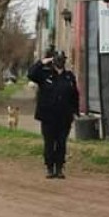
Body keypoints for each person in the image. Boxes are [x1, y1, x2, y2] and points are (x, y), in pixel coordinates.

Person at [27, 50, 79, 179]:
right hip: (48, 116)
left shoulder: (69, 76)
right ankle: (50, 168)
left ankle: (59, 168)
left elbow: (75, 95)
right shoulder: (45, 75)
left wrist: (75, 112)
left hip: (64, 116)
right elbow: (31, 74)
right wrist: (41, 62)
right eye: (57, 59)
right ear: (53, 60)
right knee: (49, 143)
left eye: (62, 59)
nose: (60, 62)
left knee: (61, 142)